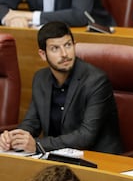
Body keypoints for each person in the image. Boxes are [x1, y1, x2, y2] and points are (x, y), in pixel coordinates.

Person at [0, 21, 122, 154]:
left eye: (68, 45)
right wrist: (14, 138)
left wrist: (38, 145)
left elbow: (86, 136)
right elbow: (32, 122)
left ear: (74, 46)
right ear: (42, 54)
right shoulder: (41, 79)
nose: (64, 54)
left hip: (97, 159)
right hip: (57, 157)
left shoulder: (96, 81)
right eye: (55, 48)